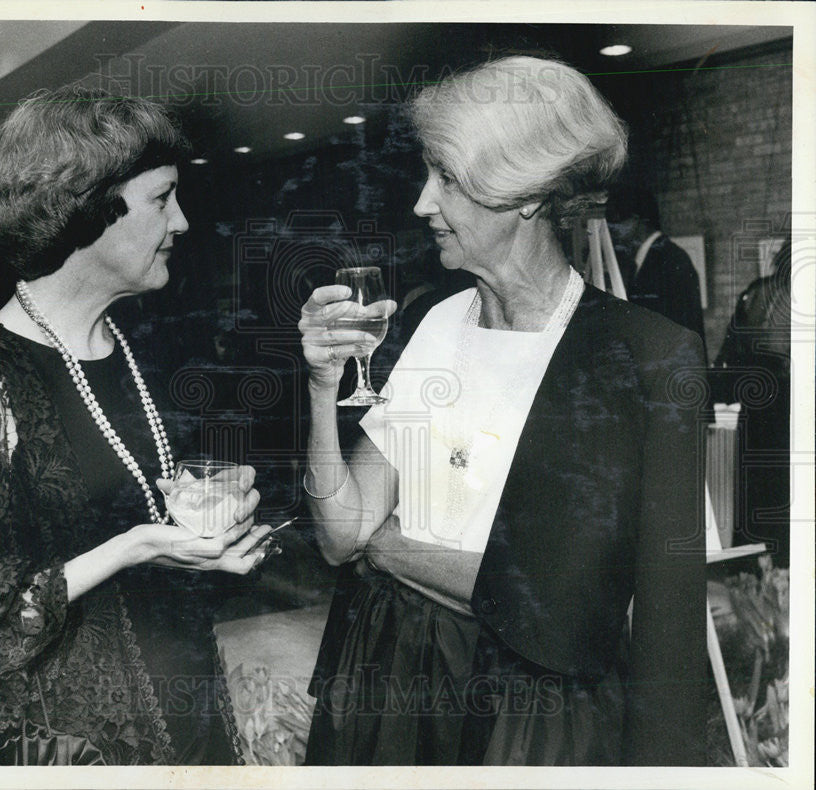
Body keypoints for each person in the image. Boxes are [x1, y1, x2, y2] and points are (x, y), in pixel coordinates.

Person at [298, 56, 706, 766]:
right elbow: (339, 536)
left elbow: (575, 611)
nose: (424, 203)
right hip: (393, 683)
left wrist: (388, 545)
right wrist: (319, 384)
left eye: (447, 179)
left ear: (524, 191)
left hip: (531, 720)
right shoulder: (436, 323)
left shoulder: (646, 356)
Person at [0, 84, 274, 765]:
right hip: (74, 741)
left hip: (181, 705)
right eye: (163, 198)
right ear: (86, 208)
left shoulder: (135, 345)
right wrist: (135, 546)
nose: (183, 223)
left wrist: (209, 538)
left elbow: (137, 515)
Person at [713, 238, 791, 566]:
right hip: (785, 410)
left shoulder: (756, 292)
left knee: (758, 502)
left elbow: (727, 358)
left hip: (757, 409)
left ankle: (756, 578)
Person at [606, 184, 707, 350]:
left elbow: (681, 332)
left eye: (617, 221)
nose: (611, 230)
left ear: (638, 221)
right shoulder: (644, 262)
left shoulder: (671, 260)